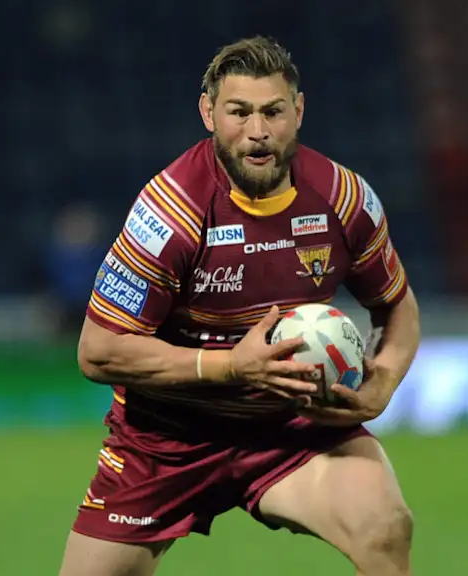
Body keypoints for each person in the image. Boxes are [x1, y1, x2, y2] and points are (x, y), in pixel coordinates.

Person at [58, 36, 421, 576]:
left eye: (273, 111)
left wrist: (382, 384)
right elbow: (98, 351)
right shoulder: (171, 213)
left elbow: (397, 306)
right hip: (165, 440)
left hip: (292, 427)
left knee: (384, 526)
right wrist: (231, 366)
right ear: (208, 113)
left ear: (298, 111)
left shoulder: (344, 199)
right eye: (239, 112)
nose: (257, 131)